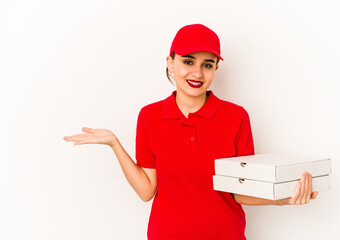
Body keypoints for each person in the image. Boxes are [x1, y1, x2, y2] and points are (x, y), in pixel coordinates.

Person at [63, 24, 318, 240]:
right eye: (188, 62)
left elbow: (239, 192)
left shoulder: (236, 117)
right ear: (170, 63)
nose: (197, 73)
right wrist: (114, 144)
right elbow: (146, 191)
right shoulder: (150, 117)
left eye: (208, 64)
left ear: (216, 68)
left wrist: (282, 199)